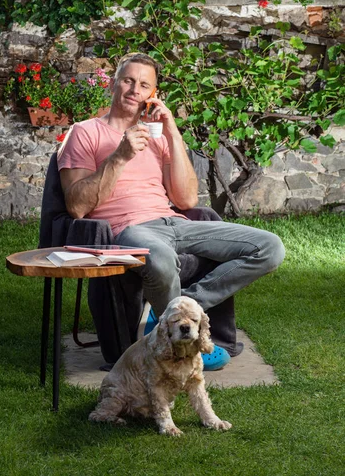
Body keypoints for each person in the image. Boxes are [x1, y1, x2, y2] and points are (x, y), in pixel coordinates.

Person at [58, 52, 285, 370]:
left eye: (144, 84)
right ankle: (185, 341)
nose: (134, 89)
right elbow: (76, 205)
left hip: (175, 223)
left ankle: (169, 313)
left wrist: (171, 129)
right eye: (128, 80)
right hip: (127, 228)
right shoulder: (85, 132)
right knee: (163, 261)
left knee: (270, 247)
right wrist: (120, 156)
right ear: (114, 83)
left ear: (153, 94)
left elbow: (187, 199)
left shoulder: (157, 136)